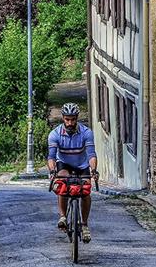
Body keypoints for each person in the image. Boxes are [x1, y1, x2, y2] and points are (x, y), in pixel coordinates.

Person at [48, 103, 98, 243]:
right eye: (67, 119)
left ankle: (84, 224)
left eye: (73, 119)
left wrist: (93, 170)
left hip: (82, 165)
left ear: (77, 118)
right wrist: (53, 171)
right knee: (63, 184)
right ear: (63, 118)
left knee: (86, 191)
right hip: (64, 163)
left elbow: (91, 155)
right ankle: (63, 216)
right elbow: (51, 157)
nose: (70, 123)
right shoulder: (55, 134)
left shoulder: (86, 132)